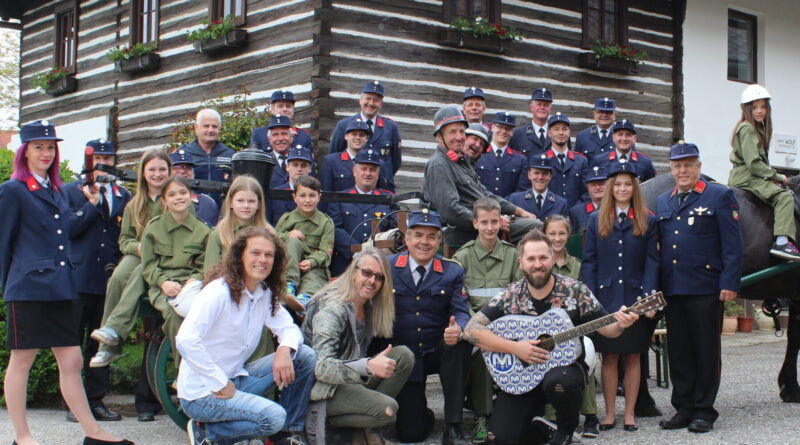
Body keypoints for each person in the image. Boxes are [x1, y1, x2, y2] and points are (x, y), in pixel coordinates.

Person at [0, 120, 134, 445]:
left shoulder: (56, 189)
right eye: (38, 147)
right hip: (28, 288)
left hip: (61, 285)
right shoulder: (14, 190)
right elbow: (3, 242)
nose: (46, 152)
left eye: (50, 147)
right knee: (22, 359)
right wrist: (6, 288)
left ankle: (93, 433)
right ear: (25, 151)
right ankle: (23, 436)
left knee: (72, 360)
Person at [463, 229, 640, 445]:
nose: (537, 264)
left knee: (559, 381)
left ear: (552, 259)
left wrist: (621, 323)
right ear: (521, 263)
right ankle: (542, 427)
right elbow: (471, 330)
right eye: (531, 258)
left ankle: (565, 430)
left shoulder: (575, 291)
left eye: (543, 258)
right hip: (524, 374)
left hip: (566, 370)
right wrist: (515, 348)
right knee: (503, 437)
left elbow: (608, 330)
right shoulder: (511, 295)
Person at [177, 226, 316, 445]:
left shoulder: (264, 292)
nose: (263, 260)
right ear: (240, 255)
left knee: (303, 355)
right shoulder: (218, 291)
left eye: (268, 255)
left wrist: (283, 349)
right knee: (273, 417)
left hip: (236, 379)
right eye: (255, 253)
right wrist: (219, 382)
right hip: (204, 392)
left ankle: (288, 435)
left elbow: (289, 328)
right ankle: (208, 432)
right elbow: (185, 339)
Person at [656, 142, 743, 433]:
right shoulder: (663, 202)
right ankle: (683, 408)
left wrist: (729, 282)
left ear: (698, 167)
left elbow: (733, 245)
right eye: (677, 165)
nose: (682, 170)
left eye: (688, 164)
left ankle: (704, 411)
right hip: (674, 288)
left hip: (706, 288)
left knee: (706, 351)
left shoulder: (719, 196)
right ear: (672, 169)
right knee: (679, 352)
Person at [302, 248, 414, 444]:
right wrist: (368, 366)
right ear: (354, 272)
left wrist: (366, 367)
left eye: (379, 277)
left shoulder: (368, 305)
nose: (372, 281)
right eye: (366, 273)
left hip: (348, 380)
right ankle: (337, 425)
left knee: (404, 356)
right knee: (387, 410)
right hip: (321, 389)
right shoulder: (333, 309)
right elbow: (321, 368)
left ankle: (359, 425)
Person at [580, 160, 659, 433]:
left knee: (634, 356)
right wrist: (590, 301)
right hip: (607, 298)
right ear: (611, 188)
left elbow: (652, 262)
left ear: (634, 187)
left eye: (628, 184)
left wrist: (648, 296)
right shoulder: (595, 219)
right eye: (618, 184)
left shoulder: (647, 219)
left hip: (637, 298)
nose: (623, 188)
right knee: (610, 357)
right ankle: (610, 413)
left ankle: (630, 414)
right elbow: (589, 262)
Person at [388, 209, 472, 445]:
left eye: (431, 236)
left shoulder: (452, 270)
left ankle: (454, 426)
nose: (424, 242)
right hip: (405, 356)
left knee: (457, 345)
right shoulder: (388, 266)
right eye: (418, 235)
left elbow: (461, 311)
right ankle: (422, 413)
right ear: (407, 238)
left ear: (439, 241)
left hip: (437, 349)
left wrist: (459, 328)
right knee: (409, 435)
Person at [62, 138, 131, 423]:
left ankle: (96, 400)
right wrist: (91, 205)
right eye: (99, 158)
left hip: (107, 277)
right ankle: (71, 401)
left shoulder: (123, 194)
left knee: (100, 343)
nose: (105, 163)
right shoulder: (69, 191)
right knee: (72, 342)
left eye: (110, 158)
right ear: (89, 160)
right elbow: (68, 228)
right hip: (78, 276)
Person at [451, 198, 522, 444]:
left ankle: (517, 411)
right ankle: (482, 415)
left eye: (494, 222)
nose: (490, 227)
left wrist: (501, 327)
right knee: (484, 350)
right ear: (475, 223)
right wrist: (479, 329)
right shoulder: (463, 256)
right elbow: (460, 301)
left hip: (507, 326)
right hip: (475, 329)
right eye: (484, 222)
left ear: (501, 221)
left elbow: (517, 297)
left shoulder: (513, 256)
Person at [90, 149, 170, 366]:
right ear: (143, 173)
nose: (157, 174)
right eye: (152, 169)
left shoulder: (173, 200)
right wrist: (140, 247)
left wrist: (153, 249)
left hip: (166, 256)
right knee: (116, 278)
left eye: (162, 169)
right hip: (140, 253)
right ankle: (108, 346)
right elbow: (124, 240)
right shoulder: (134, 205)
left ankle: (116, 327)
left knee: (138, 273)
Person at [420, 106, 540, 246]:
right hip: (460, 231)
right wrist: (490, 222)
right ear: (440, 138)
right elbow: (451, 211)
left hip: (481, 224)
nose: (459, 137)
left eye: (462, 131)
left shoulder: (461, 162)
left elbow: (485, 195)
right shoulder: (439, 164)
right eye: (452, 132)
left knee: (537, 224)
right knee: (537, 229)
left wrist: (519, 211)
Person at [141, 175, 211, 360]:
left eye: (183, 192)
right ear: (164, 200)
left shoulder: (203, 231)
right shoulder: (154, 228)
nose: (178, 197)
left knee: (204, 315)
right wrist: (163, 282)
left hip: (192, 288)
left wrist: (195, 279)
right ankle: (183, 370)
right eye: (172, 194)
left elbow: (206, 265)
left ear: (191, 195)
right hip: (162, 288)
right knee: (174, 317)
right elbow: (148, 265)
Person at [542, 215, 600, 439]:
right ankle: (553, 417)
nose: (557, 238)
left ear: (569, 235)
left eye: (561, 233)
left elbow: (586, 302)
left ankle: (590, 416)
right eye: (552, 234)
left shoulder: (577, 266)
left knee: (584, 355)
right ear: (544, 235)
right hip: (545, 333)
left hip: (574, 328)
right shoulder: (539, 263)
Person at [729, 84, 800, 259]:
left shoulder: (758, 128)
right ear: (746, 109)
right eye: (754, 107)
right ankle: (782, 243)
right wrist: (777, 177)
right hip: (747, 177)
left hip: (750, 175)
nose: (760, 111)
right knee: (784, 196)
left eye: (763, 106)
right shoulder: (747, 129)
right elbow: (754, 164)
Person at [326, 149, 395, 276]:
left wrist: (374, 255)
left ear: (378, 173)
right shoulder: (340, 198)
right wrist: (357, 251)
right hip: (345, 264)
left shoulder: (388, 200)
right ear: (354, 171)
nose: (368, 173)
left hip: (378, 265)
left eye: (372, 170)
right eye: (363, 168)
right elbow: (335, 228)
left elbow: (394, 231)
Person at [275, 175, 335, 307]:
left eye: (312, 195)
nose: (307, 200)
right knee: (293, 240)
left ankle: (303, 300)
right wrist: (287, 236)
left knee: (314, 279)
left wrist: (312, 261)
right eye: (302, 196)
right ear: (294, 197)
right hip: (288, 267)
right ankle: (289, 286)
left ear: (319, 197)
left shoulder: (326, 223)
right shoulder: (286, 219)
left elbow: (325, 252)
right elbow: (273, 241)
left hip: (313, 268)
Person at [328, 81, 402, 179]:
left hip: (381, 188)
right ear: (360, 100)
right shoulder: (344, 125)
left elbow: (396, 162)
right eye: (368, 98)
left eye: (376, 100)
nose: (371, 103)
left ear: (381, 104)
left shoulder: (391, 127)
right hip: (350, 184)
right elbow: (333, 157)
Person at [177, 108, 236, 206]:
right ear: (196, 128)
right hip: (192, 211)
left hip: (222, 213)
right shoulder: (183, 154)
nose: (210, 130)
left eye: (214, 126)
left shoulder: (230, 155)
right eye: (206, 126)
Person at [320, 118, 393, 193]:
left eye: (361, 135)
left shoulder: (377, 162)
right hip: (340, 204)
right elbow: (326, 193)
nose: (358, 137)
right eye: (354, 134)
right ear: (346, 136)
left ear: (366, 138)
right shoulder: (331, 161)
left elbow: (383, 193)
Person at [474, 112, 528, 199]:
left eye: (508, 129)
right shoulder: (478, 154)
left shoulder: (520, 160)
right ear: (493, 128)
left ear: (512, 132)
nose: (503, 131)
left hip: (508, 210)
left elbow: (521, 191)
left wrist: (507, 207)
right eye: (500, 127)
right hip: (480, 207)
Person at [543, 113, 589, 207]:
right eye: (556, 129)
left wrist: (576, 211)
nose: (561, 132)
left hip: (575, 215)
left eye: (564, 129)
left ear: (569, 132)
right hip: (550, 214)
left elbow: (587, 192)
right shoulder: (541, 160)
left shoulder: (581, 161)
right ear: (549, 133)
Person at [590, 120, 655, 183]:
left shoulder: (646, 162)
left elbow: (651, 188)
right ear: (613, 137)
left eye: (628, 135)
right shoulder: (599, 161)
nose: (624, 138)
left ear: (635, 138)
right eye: (620, 134)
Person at [507, 154, 569, 220]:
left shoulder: (561, 204)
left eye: (545, 173)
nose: (540, 177)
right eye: (536, 173)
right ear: (529, 175)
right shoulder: (516, 200)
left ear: (550, 176)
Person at [169, 149, 220, 226]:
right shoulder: (163, 202)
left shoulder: (207, 203)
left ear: (193, 172)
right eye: (177, 167)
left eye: (188, 168)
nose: (183, 171)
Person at [270, 145, 315, 225]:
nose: (299, 169)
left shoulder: (316, 195)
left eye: (303, 165)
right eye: (295, 165)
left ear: (310, 168)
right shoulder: (276, 195)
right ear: (287, 167)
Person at [510, 88, 553, 159]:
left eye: (546, 105)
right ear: (531, 107)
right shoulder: (519, 134)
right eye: (539, 104)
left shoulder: (557, 133)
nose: (542, 107)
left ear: (550, 109)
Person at [568, 166, 608, 235]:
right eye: (593, 184)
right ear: (587, 187)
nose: (597, 187)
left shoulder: (617, 208)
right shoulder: (577, 212)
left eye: (601, 183)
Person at [264, 114, 299, 188]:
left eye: (284, 134)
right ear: (269, 140)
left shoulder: (301, 160)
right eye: (275, 134)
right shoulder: (264, 163)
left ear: (292, 137)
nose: (280, 138)